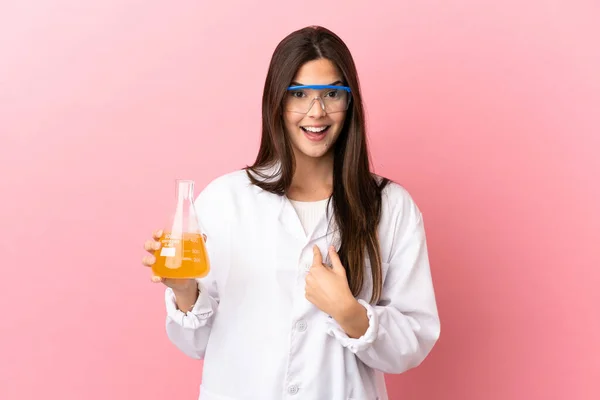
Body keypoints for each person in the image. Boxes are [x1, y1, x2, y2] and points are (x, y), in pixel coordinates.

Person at [142, 25, 440, 400]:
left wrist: (349, 313)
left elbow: (413, 342)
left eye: (332, 93)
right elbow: (195, 344)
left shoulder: (390, 207)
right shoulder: (225, 200)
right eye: (299, 94)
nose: (317, 112)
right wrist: (186, 291)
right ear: (277, 102)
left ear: (350, 103)